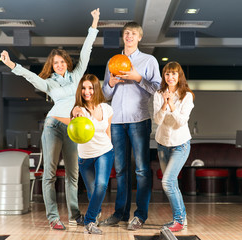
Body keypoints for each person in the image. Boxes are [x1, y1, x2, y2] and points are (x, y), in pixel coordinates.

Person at [0, 8, 100, 230]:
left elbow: (86, 51)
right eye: (55, 63)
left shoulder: (77, 76)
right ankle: (53, 217)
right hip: (53, 126)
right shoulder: (49, 84)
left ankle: (75, 215)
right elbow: (31, 76)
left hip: (73, 129)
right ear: (52, 66)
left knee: (73, 175)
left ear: (67, 62)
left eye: (62, 61)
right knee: (50, 175)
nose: (60, 65)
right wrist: (11, 65)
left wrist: (94, 24)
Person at [100, 21, 161, 230]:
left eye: (133, 33)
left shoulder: (148, 60)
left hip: (139, 120)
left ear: (140, 37)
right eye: (126, 33)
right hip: (116, 121)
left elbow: (157, 90)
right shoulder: (112, 61)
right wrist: (111, 83)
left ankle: (140, 215)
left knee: (143, 170)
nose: (129, 36)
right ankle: (121, 214)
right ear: (123, 36)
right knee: (120, 170)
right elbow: (105, 94)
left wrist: (138, 78)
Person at [70, 74, 114, 235]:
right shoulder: (79, 109)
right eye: (83, 88)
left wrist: (110, 148)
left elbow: (108, 130)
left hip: (104, 152)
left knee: (101, 185)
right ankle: (96, 211)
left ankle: (89, 221)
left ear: (96, 89)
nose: (86, 91)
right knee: (92, 191)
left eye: (90, 88)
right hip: (85, 157)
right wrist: (76, 111)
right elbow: (75, 111)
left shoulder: (107, 109)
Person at [153, 62, 194, 232]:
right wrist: (164, 103)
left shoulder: (187, 96)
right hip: (162, 144)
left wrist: (171, 104)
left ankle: (178, 220)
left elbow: (181, 122)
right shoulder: (158, 93)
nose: (170, 77)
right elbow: (157, 120)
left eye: (174, 74)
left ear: (179, 76)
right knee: (172, 183)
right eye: (167, 74)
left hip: (180, 145)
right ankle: (182, 218)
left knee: (168, 182)